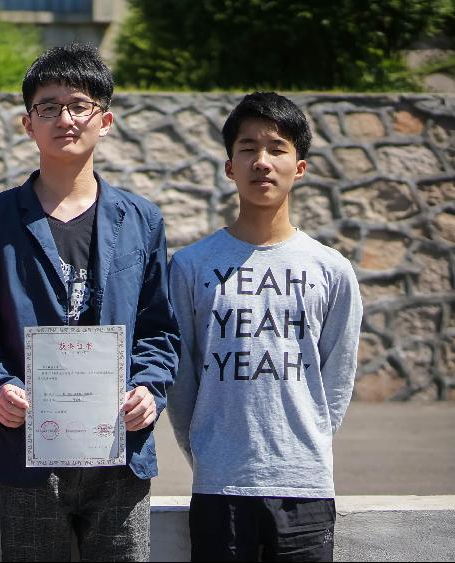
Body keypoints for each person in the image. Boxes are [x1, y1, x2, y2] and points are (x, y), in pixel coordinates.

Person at [0, 43, 180, 562]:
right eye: (48, 107)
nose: (65, 119)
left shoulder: (141, 220)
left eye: (79, 105)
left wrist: (149, 389)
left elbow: (159, 328)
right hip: (27, 452)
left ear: (105, 121)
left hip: (120, 452)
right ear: (27, 124)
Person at [168, 91, 363, 562]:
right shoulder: (191, 265)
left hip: (305, 487)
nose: (262, 161)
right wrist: (205, 452)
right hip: (218, 485)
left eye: (277, 149)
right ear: (229, 166)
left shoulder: (331, 269)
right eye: (248, 148)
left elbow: (337, 376)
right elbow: (182, 376)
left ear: (300, 167)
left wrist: (308, 442)